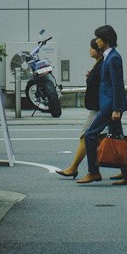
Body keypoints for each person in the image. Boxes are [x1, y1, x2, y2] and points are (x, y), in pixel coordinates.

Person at [77, 24, 127, 186]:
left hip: (110, 106)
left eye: (98, 38)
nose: (96, 41)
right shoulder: (108, 57)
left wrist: (117, 109)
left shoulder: (113, 58)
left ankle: (93, 172)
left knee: (90, 135)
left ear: (106, 40)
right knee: (118, 138)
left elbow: (118, 85)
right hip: (109, 105)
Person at [54, 38, 103, 179]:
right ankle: (125, 169)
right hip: (98, 106)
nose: (90, 50)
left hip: (99, 107)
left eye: (92, 48)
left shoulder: (103, 65)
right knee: (110, 138)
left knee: (86, 135)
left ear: (99, 50)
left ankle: (75, 168)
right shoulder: (98, 64)